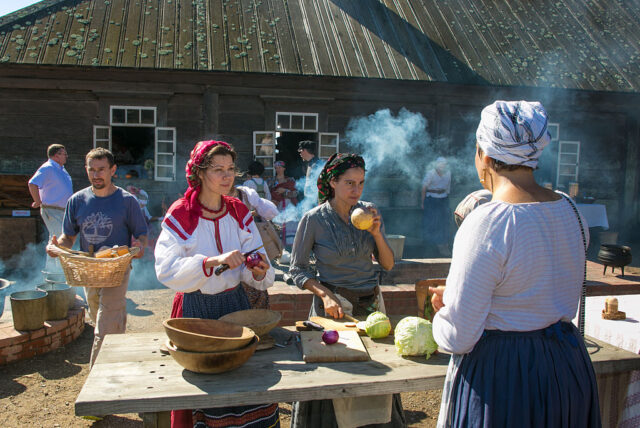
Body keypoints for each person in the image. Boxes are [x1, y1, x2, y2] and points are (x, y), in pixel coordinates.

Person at [429, 101, 600, 427]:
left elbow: (460, 336)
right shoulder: (571, 211)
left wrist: (444, 311)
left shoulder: (488, 222)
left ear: (485, 155)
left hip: (505, 378)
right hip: (567, 366)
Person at [154, 140, 279, 428]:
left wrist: (258, 272)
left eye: (231, 169)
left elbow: (256, 257)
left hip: (236, 305)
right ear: (199, 173)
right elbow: (165, 269)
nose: (227, 176)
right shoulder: (181, 213)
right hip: (196, 310)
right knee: (205, 389)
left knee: (243, 382)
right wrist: (208, 263)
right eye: (218, 169)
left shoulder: (238, 211)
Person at [289, 153, 406, 428]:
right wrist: (325, 295)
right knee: (337, 380)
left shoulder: (370, 211)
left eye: (361, 183)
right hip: (335, 310)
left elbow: (387, 265)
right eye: (349, 183)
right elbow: (297, 269)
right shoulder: (314, 219)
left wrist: (376, 232)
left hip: (372, 308)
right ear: (333, 182)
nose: (357, 190)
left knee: (375, 376)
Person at [46, 148, 147, 368]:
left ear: (113, 170)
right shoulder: (77, 201)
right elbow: (68, 237)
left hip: (116, 268)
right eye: (91, 170)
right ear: (86, 170)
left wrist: (139, 246)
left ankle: (99, 376)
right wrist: (56, 247)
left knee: (106, 321)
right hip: (88, 269)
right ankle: (118, 361)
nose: (96, 175)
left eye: (101, 170)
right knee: (100, 317)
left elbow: (141, 235)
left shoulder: (127, 201)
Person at [229, 176, 279, 309]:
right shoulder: (245, 193)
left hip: (248, 256)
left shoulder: (246, 193)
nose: (226, 176)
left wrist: (253, 212)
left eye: (230, 169)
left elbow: (271, 213)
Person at [28, 144, 73, 274]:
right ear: (56, 155)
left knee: (54, 239)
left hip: (61, 210)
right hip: (52, 209)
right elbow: (32, 183)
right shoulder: (48, 168)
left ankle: (52, 271)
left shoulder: (61, 169)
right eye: (64, 154)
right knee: (60, 240)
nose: (66, 156)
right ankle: (59, 272)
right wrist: (38, 201)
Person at [421, 156, 451, 256]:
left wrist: (446, 199)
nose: (442, 166)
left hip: (443, 199)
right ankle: (430, 247)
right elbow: (424, 187)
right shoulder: (431, 173)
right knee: (432, 222)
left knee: (443, 222)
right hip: (431, 199)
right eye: (440, 163)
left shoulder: (448, 173)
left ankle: (443, 245)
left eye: (444, 164)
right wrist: (422, 202)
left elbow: (448, 188)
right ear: (436, 164)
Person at [269, 160, 298, 247]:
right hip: (277, 204)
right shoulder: (271, 181)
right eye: (276, 168)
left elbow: (295, 193)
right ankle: (279, 245)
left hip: (289, 205)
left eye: (280, 167)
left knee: (290, 223)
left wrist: (285, 191)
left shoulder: (290, 180)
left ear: (284, 168)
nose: (278, 169)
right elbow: (269, 193)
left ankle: (290, 245)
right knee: (278, 224)